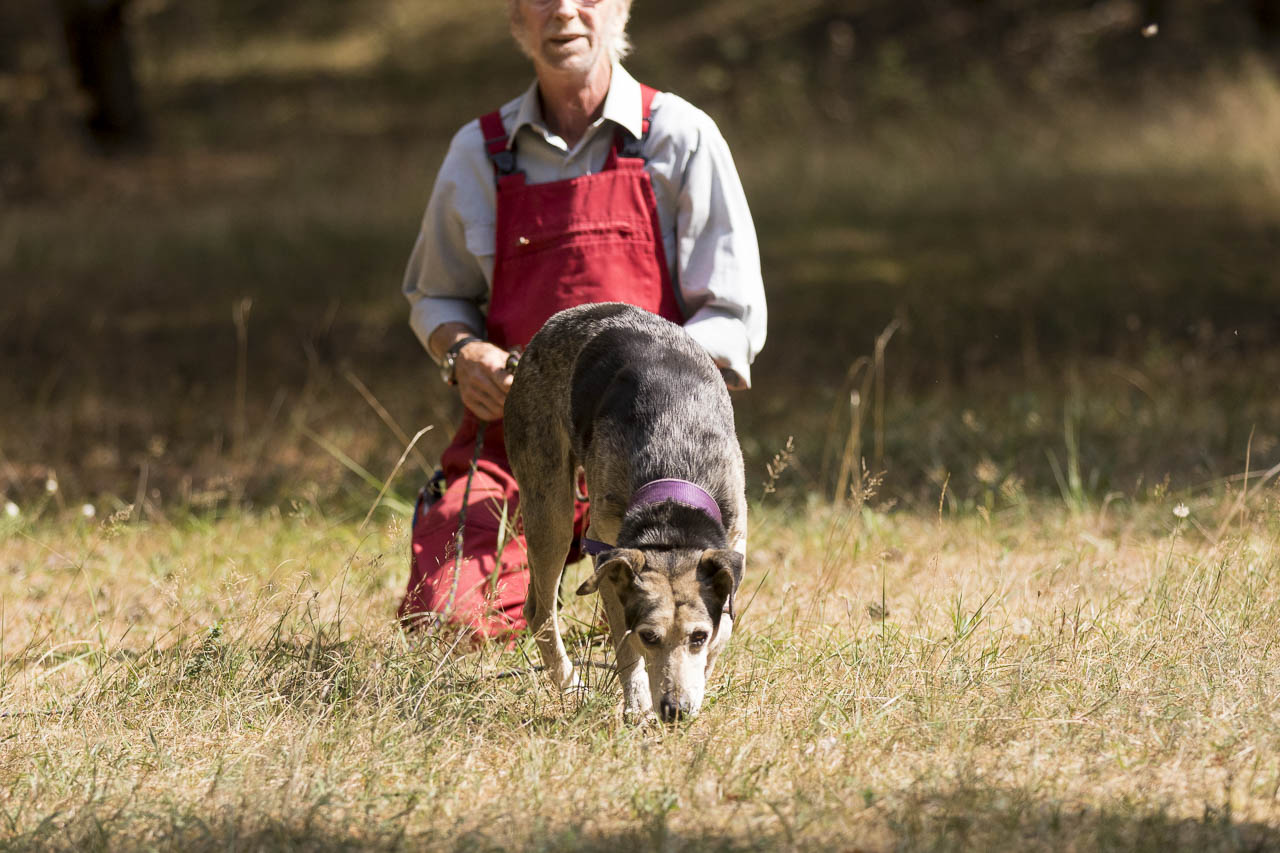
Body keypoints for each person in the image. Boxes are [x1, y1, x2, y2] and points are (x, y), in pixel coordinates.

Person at [398, 0, 766, 636]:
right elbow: (436, 295)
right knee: (448, 619)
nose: (565, 11)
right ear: (517, 16)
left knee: (654, 622)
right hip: (515, 447)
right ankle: (507, 574)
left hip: (652, 465)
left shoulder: (681, 135)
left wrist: (649, 386)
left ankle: (606, 602)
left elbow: (731, 317)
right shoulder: (479, 151)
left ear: (621, 8)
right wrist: (463, 353)